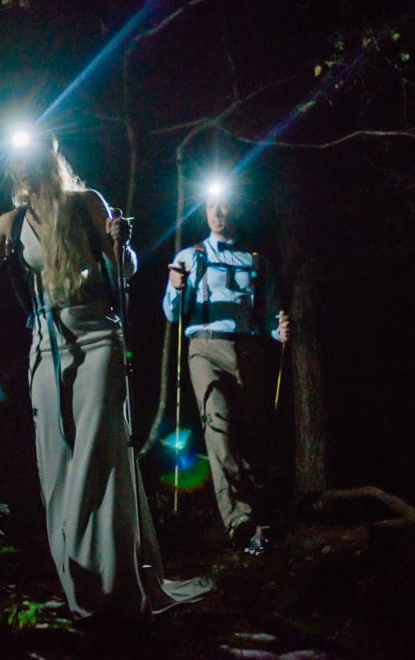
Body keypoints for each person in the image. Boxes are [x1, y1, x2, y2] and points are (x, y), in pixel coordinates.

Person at [0, 129, 210, 623]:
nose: (24, 169)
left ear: (50, 158)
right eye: (15, 162)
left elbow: (123, 268)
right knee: (59, 465)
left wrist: (119, 242)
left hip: (98, 338)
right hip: (46, 345)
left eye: (31, 159)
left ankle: (117, 589)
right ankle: (82, 584)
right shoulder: (11, 222)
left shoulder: (86, 202)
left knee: (98, 457)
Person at [162, 191, 290, 555]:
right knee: (217, 422)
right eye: (210, 207)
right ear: (204, 213)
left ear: (235, 209)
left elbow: (268, 317)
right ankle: (237, 519)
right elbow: (173, 313)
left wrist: (277, 330)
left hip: (248, 349)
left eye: (224, 206)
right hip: (204, 346)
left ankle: (261, 513)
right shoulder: (190, 256)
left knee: (254, 430)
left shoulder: (256, 260)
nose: (217, 213)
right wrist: (175, 288)